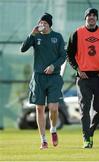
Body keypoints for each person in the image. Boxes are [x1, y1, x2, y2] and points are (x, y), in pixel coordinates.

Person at [67, 8, 99, 148]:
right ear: (85, 18)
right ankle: (86, 139)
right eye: (89, 15)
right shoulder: (76, 33)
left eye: (94, 15)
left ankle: (90, 131)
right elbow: (69, 54)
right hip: (84, 77)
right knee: (84, 109)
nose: (92, 17)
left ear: (97, 18)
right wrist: (78, 69)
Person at [21, 13, 66, 149]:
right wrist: (32, 34)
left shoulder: (57, 37)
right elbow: (23, 49)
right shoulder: (36, 36)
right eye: (40, 22)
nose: (42, 25)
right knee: (39, 109)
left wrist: (53, 66)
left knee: (53, 108)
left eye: (44, 23)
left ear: (49, 24)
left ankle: (53, 129)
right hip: (38, 78)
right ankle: (43, 140)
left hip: (54, 78)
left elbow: (63, 56)